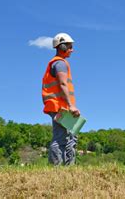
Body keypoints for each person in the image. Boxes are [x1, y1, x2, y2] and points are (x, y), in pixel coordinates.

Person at [41, 33, 80, 165]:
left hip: (60, 106)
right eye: (69, 47)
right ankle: (56, 170)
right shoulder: (60, 64)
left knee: (70, 137)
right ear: (62, 46)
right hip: (60, 106)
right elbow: (63, 84)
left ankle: (68, 169)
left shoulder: (58, 63)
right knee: (61, 138)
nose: (72, 50)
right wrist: (71, 105)